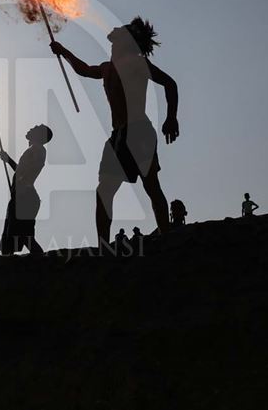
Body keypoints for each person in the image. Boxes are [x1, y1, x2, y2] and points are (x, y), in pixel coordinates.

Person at [50, 16, 179, 246]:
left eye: (117, 36)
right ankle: (103, 245)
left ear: (126, 42)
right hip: (118, 136)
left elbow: (170, 83)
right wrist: (63, 51)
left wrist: (171, 118)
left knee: (151, 186)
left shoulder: (138, 63)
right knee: (104, 192)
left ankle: (167, 234)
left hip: (139, 132)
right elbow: (85, 70)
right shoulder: (107, 68)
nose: (112, 39)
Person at [0, 124, 53, 255]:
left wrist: (22, 182)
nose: (32, 127)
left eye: (36, 127)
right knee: (11, 237)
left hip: (25, 197)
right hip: (21, 196)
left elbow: (32, 168)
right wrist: (8, 160)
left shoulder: (39, 149)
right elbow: (21, 171)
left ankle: (42, 263)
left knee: (23, 236)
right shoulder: (35, 149)